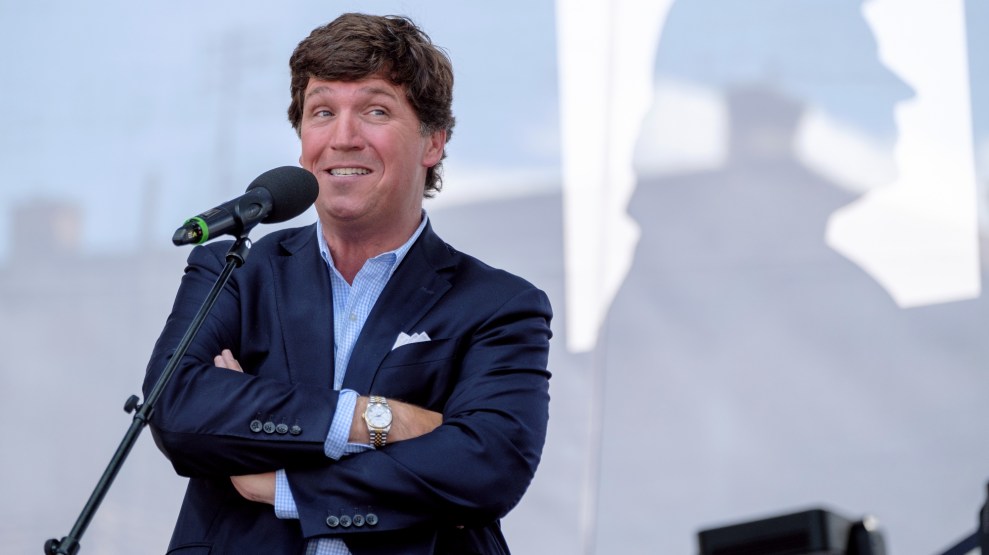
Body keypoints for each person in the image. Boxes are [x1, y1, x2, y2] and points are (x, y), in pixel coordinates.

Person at [144, 13, 552, 555]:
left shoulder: (499, 305)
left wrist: (284, 483)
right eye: (322, 112)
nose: (343, 137)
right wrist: (377, 419)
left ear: (434, 141)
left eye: (375, 111)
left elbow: (487, 465)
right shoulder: (233, 272)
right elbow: (175, 407)